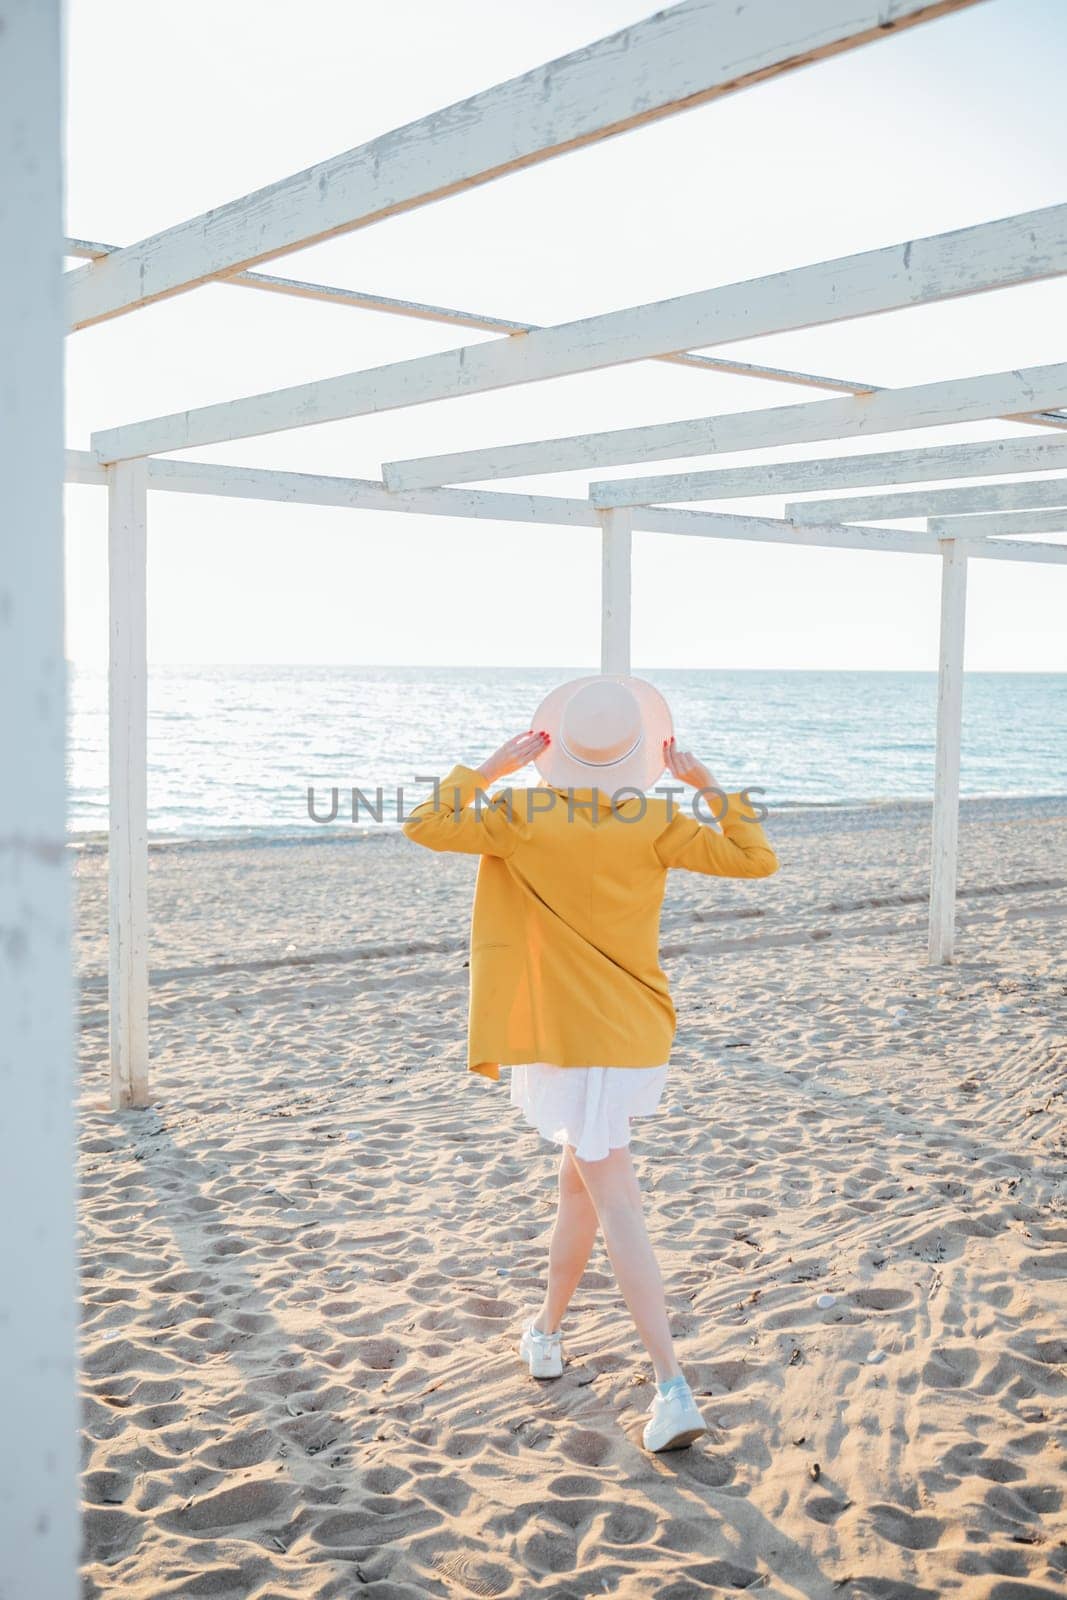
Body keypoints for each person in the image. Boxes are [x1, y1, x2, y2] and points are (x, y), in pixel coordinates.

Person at [402, 673, 778, 1451]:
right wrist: (706, 784)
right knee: (577, 1189)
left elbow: (425, 823)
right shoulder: (654, 819)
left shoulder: (518, 813)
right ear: (638, 752)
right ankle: (544, 1330)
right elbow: (754, 860)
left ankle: (671, 1388)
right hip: (636, 1030)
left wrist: (487, 770)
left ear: (553, 748)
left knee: (616, 1203)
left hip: (567, 1041)